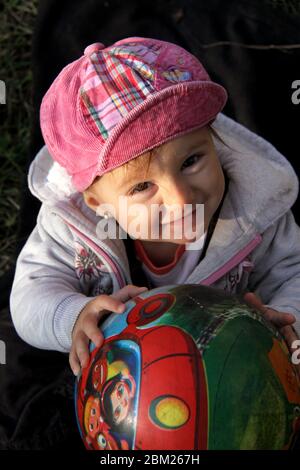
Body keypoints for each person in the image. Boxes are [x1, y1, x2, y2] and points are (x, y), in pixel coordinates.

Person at [9, 37, 300, 380]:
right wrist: (74, 316)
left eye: (191, 160)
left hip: (225, 372)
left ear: (213, 139)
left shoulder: (257, 210)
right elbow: (31, 294)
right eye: (143, 187)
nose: (181, 199)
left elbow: (293, 271)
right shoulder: (71, 224)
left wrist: (282, 316)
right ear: (97, 202)